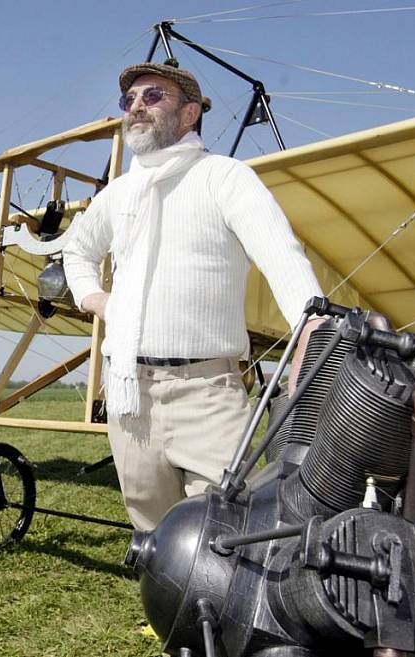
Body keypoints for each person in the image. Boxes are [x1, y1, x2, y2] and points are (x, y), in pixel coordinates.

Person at [63, 63, 323, 531]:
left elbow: (280, 253)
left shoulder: (225, 178)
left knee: (227, 539)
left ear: (189, 115)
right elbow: (77, 250)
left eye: (153, 96)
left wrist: (310, 325)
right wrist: (96, 300)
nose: (136, 106)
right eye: (130, 100)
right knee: (157, 545)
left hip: (208, 394)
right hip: (129, 395)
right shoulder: (118, 194)